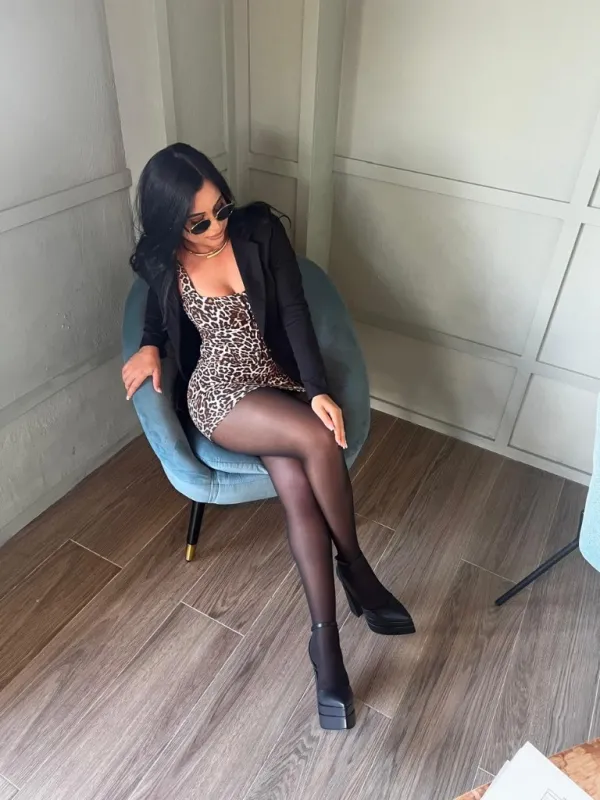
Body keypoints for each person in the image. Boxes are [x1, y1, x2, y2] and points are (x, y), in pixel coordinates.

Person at [122, 143, 415, 730]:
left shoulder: (258, 232)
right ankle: (356, 570)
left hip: (277, 380)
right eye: (197, 222)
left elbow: (295, 312)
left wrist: (317, 389)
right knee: (318, 441)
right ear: (170, 222)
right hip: (221, 394)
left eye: (220, 209)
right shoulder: (161, 258)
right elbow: (153, 310)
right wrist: (150, 345)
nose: (214, 227)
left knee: (299, 489)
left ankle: (323, 642)